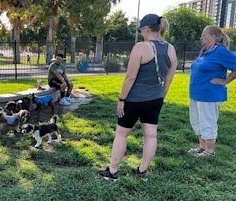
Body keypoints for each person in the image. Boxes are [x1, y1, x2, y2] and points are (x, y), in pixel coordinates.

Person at [96, 14, 177, 180]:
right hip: (156, 99)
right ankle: (142, 171)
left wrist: (121, 100)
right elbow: (169, 77)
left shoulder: (141, 47)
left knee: (121, 134)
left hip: (134, 100)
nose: (141, 33)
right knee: (151, 135)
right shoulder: (171, 48)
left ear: (147, 29)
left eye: (141, 30)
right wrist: (161, 96)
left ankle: (112, 172)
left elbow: (130, 77)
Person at [188, 25, 236, 157]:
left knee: (207, 122)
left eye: (204, 35)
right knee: (197, 121)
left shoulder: (220, 51)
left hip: (210, 95)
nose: (201, 37)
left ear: (214, 36)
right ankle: (202, 148)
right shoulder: (204, 50)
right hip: (197, 93)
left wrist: (224, 81)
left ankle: (210, 151)